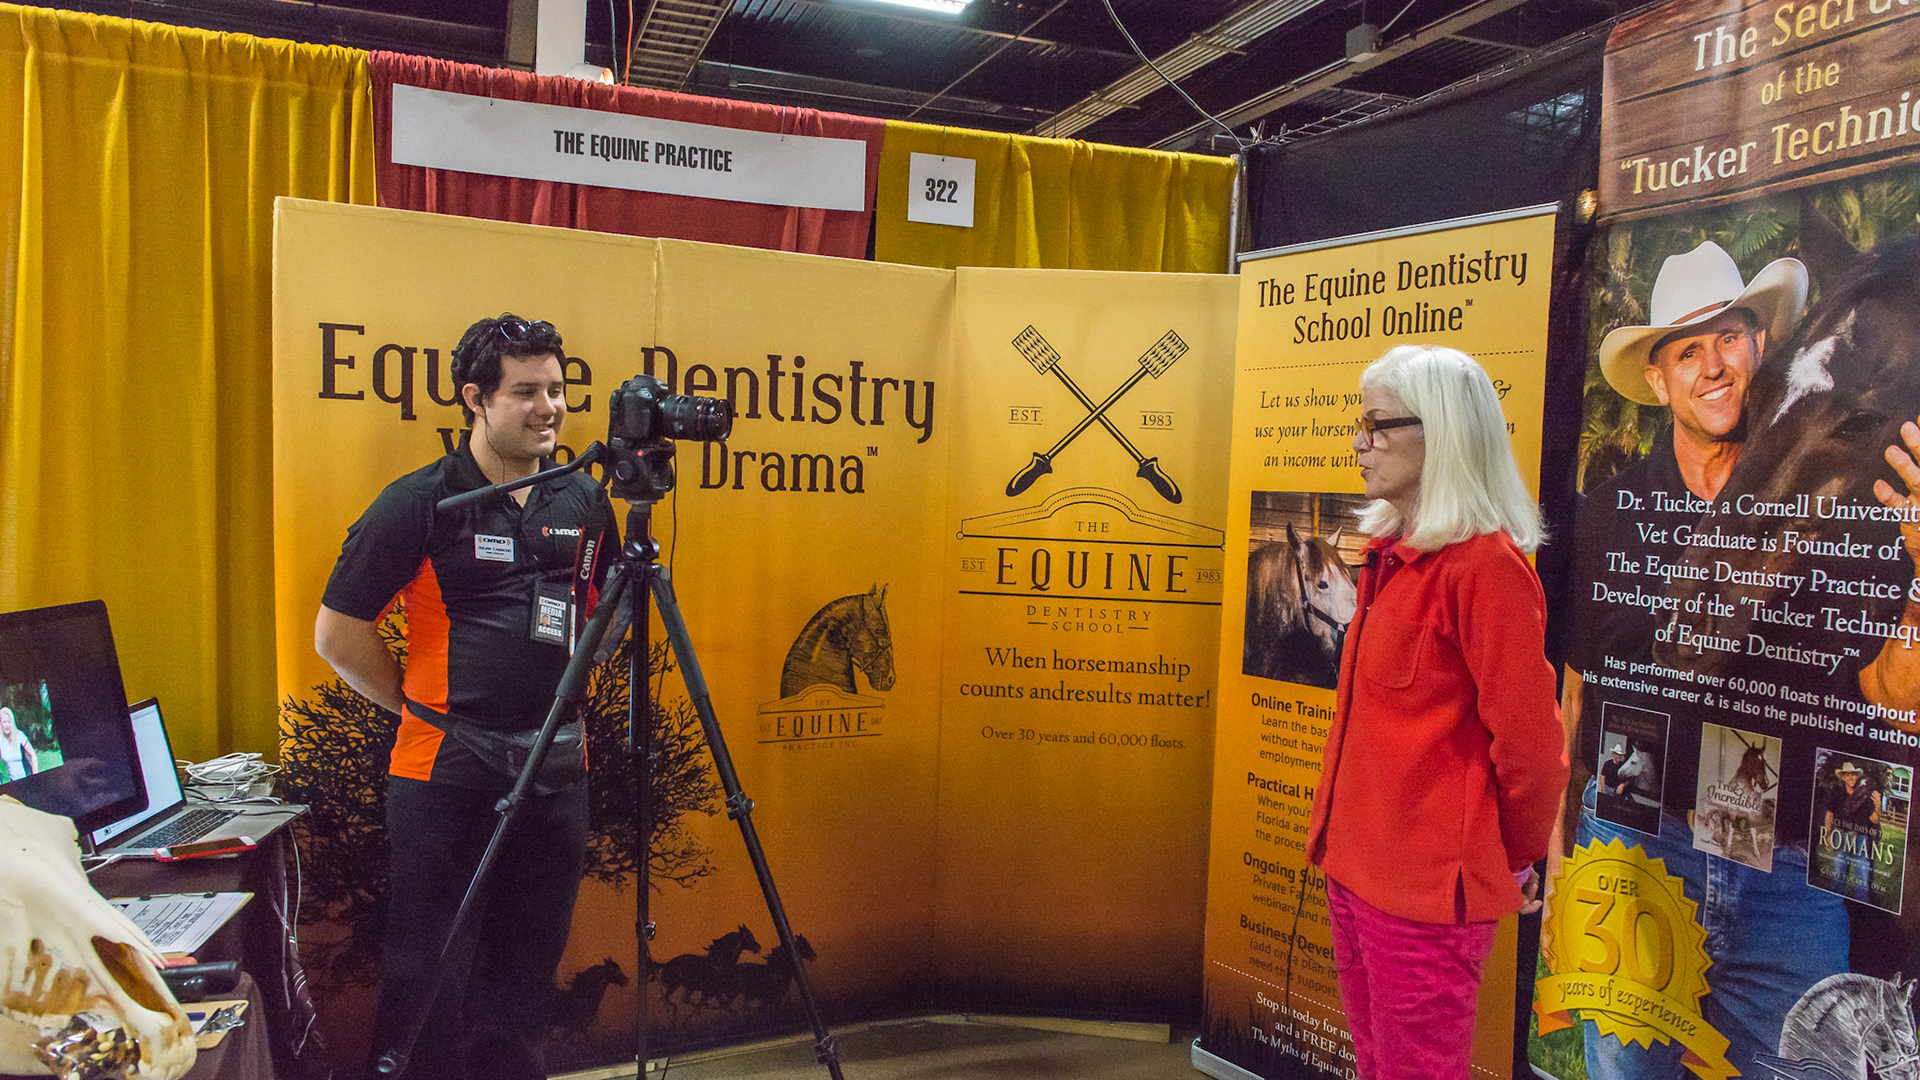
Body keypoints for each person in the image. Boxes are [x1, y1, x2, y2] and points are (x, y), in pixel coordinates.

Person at [315, 314, 617, 1080]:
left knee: (525, 973)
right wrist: (421, 709)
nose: (549, 407)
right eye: (527, 392)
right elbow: (339, 632)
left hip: (554, 771)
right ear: (474, 399)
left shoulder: (582, 499)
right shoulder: (418, 503)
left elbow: (606, 605)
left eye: (557, 390)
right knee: (429, 975)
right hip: (444, 775)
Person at [1304, 344, 1568, 1080]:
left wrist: (1509, 858)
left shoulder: (1485, 568)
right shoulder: (1392, 555)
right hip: (1355, 873)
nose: (1360, 441)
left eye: (1378, 425)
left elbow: (1531, 750)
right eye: (1361, 423)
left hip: (1423, 900)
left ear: (1443, 432)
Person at [1818, 761, 1880, 902]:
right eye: (1848, 775)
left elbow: (1875, 820)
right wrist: (1828, 837)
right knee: (1839, 873)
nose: (1851, 778)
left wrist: (1877, 806)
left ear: (1857, 776)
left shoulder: (1865, 794)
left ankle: (1862, 908)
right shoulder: (1837, 794)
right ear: (1843, 777)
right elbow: (1829, 815)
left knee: (1862, 876)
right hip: (1841, 836)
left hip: (1861, 839)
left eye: (1853, 774)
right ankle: (1835, 904)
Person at [0, 706, 36, 781]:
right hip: (13, 781)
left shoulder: (20, 735)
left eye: (9, 722)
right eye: (4, 722)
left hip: (27, 777)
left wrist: (36, 775)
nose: (6, 725)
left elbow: (33, 754)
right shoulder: (1, 741)